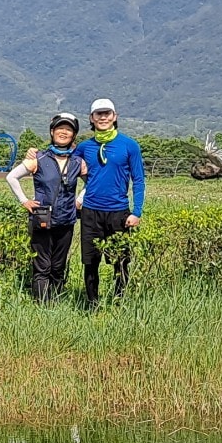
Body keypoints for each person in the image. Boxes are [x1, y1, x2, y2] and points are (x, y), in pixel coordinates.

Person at [7, 112, 87, 301]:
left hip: (66, 219)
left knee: (58, 265)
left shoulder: (78, 161)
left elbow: (91, 182)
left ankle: (57, 301)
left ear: (74, 135)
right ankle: (42, 304)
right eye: (60, 128)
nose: (63, 132)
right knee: (42, 265)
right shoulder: (38, 158)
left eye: (68, 129)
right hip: (42, 218)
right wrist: (24, 201)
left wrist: (79, 200)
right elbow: (12, 177)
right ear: (52, 131)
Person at [73, 98, 144, 305]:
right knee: (90, 261)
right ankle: (92, 304)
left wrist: (136, 212)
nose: (103, 117)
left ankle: (119, 302)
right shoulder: (84, 147)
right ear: (91, 119)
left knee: (121, 262)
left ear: (115, 117)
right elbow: (63, 161)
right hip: (90, 212)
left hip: (119, 212)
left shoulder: (129, 145)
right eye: (98, 114)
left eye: (107, 113)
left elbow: (138, 180)